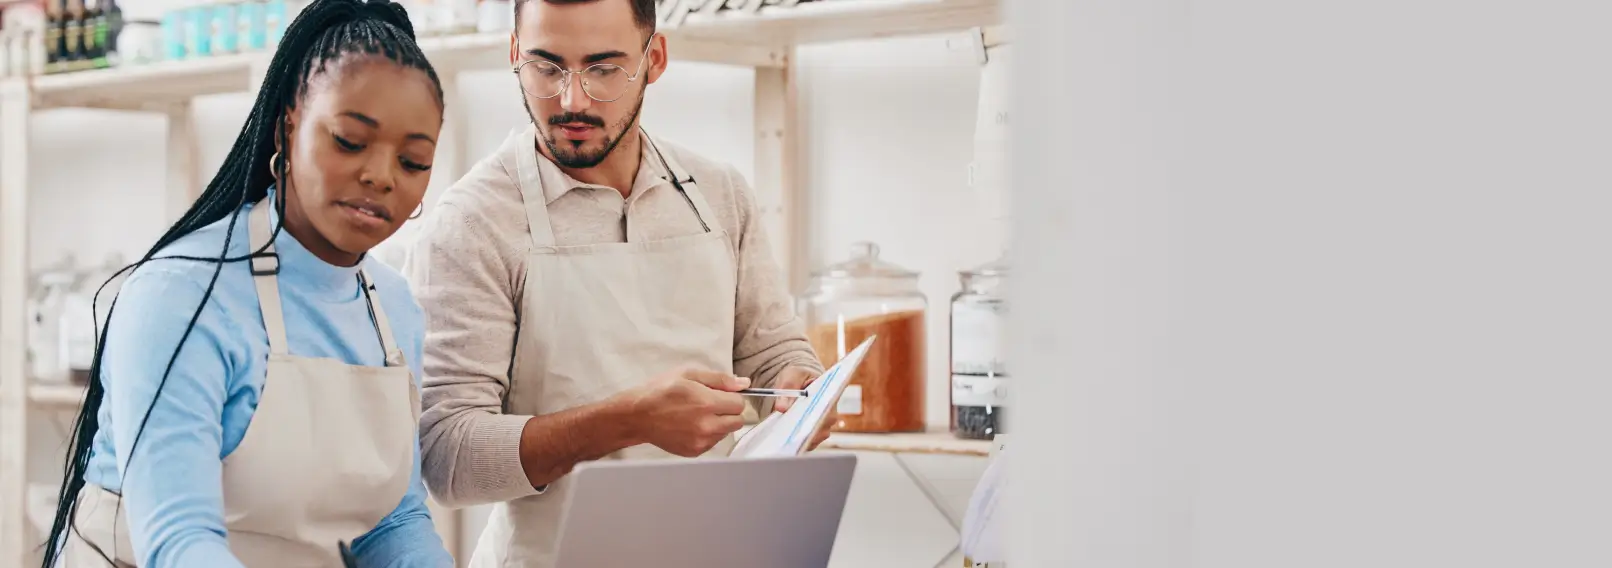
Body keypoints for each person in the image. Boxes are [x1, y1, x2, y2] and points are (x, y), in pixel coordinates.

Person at [401, 0, 833, 566]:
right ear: (513, 54)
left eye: (604, 69)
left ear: (654, 59)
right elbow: (447, 458)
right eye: (545, 66)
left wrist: (801, 391)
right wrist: (628, 421)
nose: (572, 99)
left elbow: (775, 352)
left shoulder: (719, 194)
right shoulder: (472, 221)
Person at [37, 0, 453, 566]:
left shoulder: (395, 310)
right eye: (350, 142)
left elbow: (393, 520)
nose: (380, 176)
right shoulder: (183, 296)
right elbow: (179, 539)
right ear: (289, 124)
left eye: (412, 161)